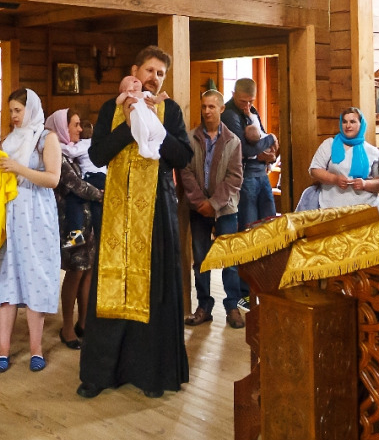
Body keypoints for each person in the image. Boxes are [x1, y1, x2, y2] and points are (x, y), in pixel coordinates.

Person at [79, 46, 193, 399]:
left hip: (155, 211)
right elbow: (97, 155)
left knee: (154, 286)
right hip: (115, 211)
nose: (154, 77)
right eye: (149, 69)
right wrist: (129, 126)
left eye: (160, 73)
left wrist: (152, 123)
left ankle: (151, 373)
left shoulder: (169, 110)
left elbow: (183, 155)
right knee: (109, 287)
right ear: (135, 69)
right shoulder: (110, 108)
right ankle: (100, 374)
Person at [0, 89, 62, 373]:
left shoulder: (47, 138)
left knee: (35, 276)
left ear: (31, 109)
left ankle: (36, 349)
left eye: (18, 110)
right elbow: (5, 172)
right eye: (10, 111)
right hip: (10, 215)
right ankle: (3, 350)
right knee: (7, 278)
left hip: (37, 213)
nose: (13, 116)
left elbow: (53, 179)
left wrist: (18, 167)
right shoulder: (11, 139)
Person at [179, 90, 246, 329]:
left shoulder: (233, 141)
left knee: (229, 259)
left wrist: (214, 204)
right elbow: (185, 172)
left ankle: (232, 307)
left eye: (211, 107)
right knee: (201, 259)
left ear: (221, 109)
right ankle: (204, 306)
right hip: (198, 209)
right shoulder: (190, 139)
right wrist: (200, 203)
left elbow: (235, 177)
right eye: (204, 107)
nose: (207, 111)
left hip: (225, 208)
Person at [47, 109, 103, 349]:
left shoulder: (76, 151)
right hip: (71, 226)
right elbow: (76, 185)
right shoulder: (56, 153)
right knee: (75, 271)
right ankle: (67, 327)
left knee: (88, 270)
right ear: (62, 127)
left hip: (86, 222)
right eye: (76, 124)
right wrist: (103, 194)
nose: (80, 129)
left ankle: (84, 322)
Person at [221, 78, 277, 224]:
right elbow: (244, 149)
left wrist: (267, 150)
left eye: (251, 101)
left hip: (262, 173)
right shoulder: (229, 114)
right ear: (233, 94)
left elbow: (261, 135)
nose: (247, 105)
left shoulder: (251, 110)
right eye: (243, 101)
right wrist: (271, 138)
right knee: (249, 224)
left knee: (270, 221)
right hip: (246, 174)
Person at [308, 107, 379, 209]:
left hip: (365, 207)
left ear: (361, 124)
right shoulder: (329, 144)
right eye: (344, 122)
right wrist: (335, 179)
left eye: (352, 122)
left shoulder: (372, 151)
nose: (348, 126)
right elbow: (315, 170)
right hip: (331, 206)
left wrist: (365, 184)